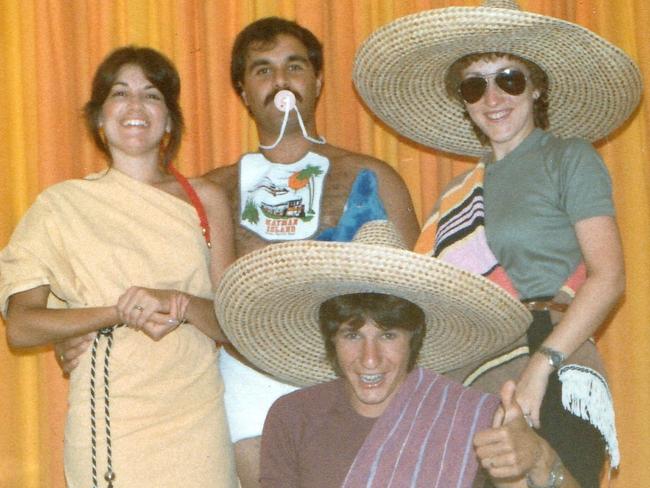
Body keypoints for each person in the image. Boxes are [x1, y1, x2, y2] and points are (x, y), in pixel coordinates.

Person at [56, 17, 419, 488]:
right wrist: (83, 332)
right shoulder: (210, 191)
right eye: (262, 70)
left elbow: (418, 292)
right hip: (249, 385)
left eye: (294, 66)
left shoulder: (373, 176)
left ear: (318, 81)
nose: (281, 80)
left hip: (353, 380)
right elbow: (145, 280)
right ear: (243, 92)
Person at [352, 1, 642, 485]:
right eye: (474, 85)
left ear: (537, 85)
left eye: (508, 78)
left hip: (549, 347)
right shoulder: (455, 196)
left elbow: (609, 276)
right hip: (473, 369)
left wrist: (540, 368)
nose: (492, 97)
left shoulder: (568, 158)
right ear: (463, 100)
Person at [0, 46, 237, 487]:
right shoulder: (60, 206)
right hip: (111, 424)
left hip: (197, 422)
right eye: (119, 93)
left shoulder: (206, 199)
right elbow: (22, 325)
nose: (135, 106)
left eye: (151, 95)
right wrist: (117, 312)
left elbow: (230, 323)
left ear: (169, 120)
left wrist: (177, 302)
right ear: (98, 118)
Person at [213, 219, 580, 487]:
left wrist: (540, 459)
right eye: (352, 335)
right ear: (331, 340)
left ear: (413, 338)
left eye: (387, 334)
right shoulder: (293, 417)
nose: (369, 358)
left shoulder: (474, 417)